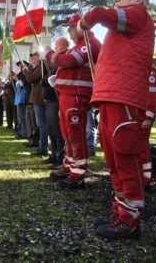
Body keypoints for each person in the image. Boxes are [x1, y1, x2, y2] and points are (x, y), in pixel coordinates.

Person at [78, 0, 154, 240]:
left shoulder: (138, 15)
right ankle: (122, 211)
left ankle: (130, 219)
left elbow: (101, 14)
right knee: (113, 160)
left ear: (139, 0)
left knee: (125, 159)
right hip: (112, 96)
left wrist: (86, 21)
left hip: (124, 98)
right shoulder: (128, 21)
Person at [43, 14, 101, 188]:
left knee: (75, 133)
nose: (68, 30)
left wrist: (48, 54)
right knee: (67, 133)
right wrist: (58, 78)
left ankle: (78, 173)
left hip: (77, 96)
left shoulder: (90, 45)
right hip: (67, 95)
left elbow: (69, 61)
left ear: (81, 27)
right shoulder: (79, 46)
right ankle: (69, 166)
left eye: (71, 27)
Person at [20, 53, 48, 157]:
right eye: (30, 56)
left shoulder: (42, 66)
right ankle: (40, 145)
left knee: (41, 124)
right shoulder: (38, 67)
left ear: (39, 57)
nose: (31, 58)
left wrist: (25, 71)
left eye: (34, 56)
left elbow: (31, 78)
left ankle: (43, 147)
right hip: (37, 98)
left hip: (40, 98)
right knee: (39, 124)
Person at [139, 66, 156, 187]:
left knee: (142, 147)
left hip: (144, 115)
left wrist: (148, 117)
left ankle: (145, 178)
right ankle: (139, 176)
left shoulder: (150, 70)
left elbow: (152, 95)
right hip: (137, 114)